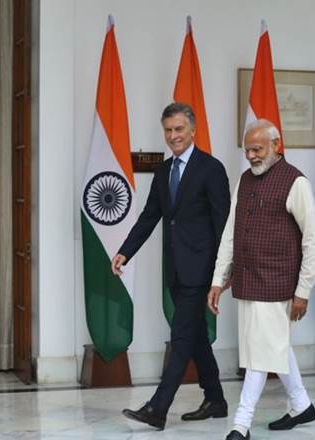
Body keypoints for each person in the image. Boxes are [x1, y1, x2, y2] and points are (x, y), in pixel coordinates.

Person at [112, 102, 230, 430]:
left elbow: (223, 224)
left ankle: (158, 408)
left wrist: (223, 272)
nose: (173, 135)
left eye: (179, 129)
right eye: (168, 130)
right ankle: (216, 400)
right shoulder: (164, 171)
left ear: (193, 130)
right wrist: (125, 252)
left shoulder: (211, 168)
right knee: (195, 337)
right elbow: (150, 215)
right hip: (176, 269)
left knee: (180, 337)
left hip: (201, 270)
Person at [207, 119, 315, 440]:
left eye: (257, 149)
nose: (251, 156)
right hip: (247, 282)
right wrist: (218, 279)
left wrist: (303, 291)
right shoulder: (244, 180)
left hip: (278, 285)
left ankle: (240, 424)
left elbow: (312, 240)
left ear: (276, 145)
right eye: (247, 150)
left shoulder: (296, 182)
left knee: (260, 351)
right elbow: (230, 233)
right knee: (272, 344)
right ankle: (302, 405)